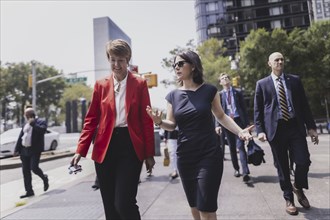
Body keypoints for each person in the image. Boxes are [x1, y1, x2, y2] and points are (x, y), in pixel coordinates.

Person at [146, 50, 253, 220]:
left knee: (205, 207)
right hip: (185, 157)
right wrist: (158, 121)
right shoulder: (172, 96)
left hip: (209, 154)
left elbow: (221, 116)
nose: (177, 67)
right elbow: (171, 125)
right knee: (195, 208)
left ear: (193, 66)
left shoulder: (209, 90)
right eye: (175, 65)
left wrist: (240, 131)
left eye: (181, 63)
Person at [70, 39, 155, 220]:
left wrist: (149, 153)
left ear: (128, 60)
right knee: (110, 208)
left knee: (124, 203)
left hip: (130, 146)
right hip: (105, 147)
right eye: (113, 60)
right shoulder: (100, 85)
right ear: (109, 59)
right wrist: (80, 150)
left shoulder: (139, 84)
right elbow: (91, 119)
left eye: (121, 60)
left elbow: (146, 120)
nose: (117, 65)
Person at [254, 52, 319, 216]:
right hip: (276, 130)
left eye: (282, 59)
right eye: (276, 60)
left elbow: (304, 105)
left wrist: (311, 127)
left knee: (303, 160)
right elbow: (258, 110)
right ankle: (289, 198)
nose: (280, 62)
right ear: (269, 63)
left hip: (295, 127)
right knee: (282, 166)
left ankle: (298, 186)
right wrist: (260, 130)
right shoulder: (262, 84)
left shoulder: (294, 81)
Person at [215, 73, 251, 183]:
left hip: (238, 120)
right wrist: (217, 125)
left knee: (241, 146)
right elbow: (217, 112)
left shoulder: (238, 92)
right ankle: (236, 169)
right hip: (227, 123)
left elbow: (244, 109)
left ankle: (245, 172)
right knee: (232, 147)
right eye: (222, 78)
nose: (225, 79)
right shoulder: (219, 95)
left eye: (226, 78)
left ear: (229, 80)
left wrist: (247, 124)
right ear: (220, 82)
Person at [14, 107, 49, 198]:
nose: (25, 116)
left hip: (35, 150)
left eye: (26, 115)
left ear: (30, 115)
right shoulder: (25, 124)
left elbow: (43, 131)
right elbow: (21, 136)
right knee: (25, 171)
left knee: (34, 168)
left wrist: (33, 124)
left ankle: (44, 178)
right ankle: (29, 191)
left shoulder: (40, 121)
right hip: (24, 151)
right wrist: (17, 149)